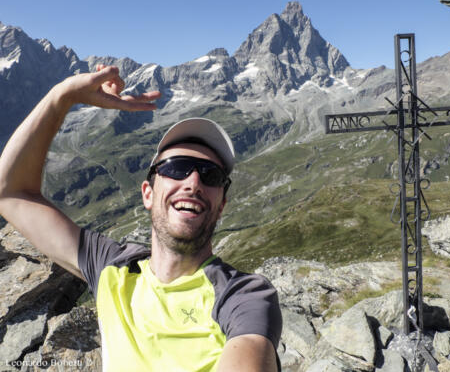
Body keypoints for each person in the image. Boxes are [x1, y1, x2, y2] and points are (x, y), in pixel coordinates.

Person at [0, 65, 282, 371]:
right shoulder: (112, 266)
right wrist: (62, 96)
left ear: (222, 204)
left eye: (211, 175)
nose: (193, 182)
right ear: (147, 192)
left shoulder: (243, 295)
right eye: (176, 168)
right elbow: (10, 192)